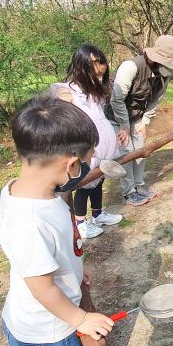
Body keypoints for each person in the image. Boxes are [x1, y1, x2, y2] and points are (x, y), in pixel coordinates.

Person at [0, 95, 115, 346]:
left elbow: (49, 259)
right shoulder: (30, 221)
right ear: (70, 165)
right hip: (49, 327)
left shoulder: (19, 192)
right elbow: (42, 288)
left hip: (24, 322)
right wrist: (80, 318)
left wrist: (75, 272)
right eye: (83, 164)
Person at [106, 35, 173, 206]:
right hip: (115, 116)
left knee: (141, 150)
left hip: (137, 116)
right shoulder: (131, 67)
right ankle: (128, 192)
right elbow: (117, 99)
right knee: (127, 153)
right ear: (156, 59)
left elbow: (154, 100)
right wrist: (123, 125)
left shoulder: (164, 75)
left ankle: (139, 185)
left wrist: (144, 122)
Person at [53, 45, 123, 239]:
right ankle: (81, 223)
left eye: (101, 65)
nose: (99, 72)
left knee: (98, 181)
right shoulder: (68, 91)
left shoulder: (95, 92)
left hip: (101, 150)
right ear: (80, 66)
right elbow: (57, 110)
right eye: (93, 65)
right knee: (83, 184)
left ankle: (98, 214)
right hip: (84, 150)